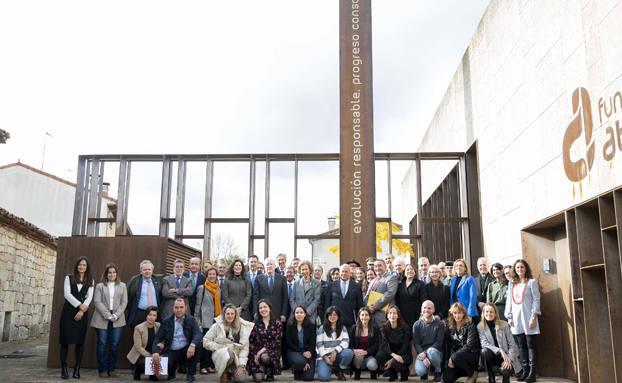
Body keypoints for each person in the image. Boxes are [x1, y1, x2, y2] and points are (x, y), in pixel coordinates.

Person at [505, 259, 540, 383]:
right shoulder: (511, 283)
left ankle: (532, 373)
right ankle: (525, 371)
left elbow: (536, 300)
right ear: (515, 269)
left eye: (522, 267)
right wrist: (509, 316)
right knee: (521, 346)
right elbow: (509, 300)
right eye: (518, 268)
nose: (520, 270)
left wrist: (533, 316)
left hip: (528, 318)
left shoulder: (532, 282)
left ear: (526, 269)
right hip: (516, 319)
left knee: (531, 345)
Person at [59, 256, 94, 379]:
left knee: (80, 342)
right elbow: (67, 294)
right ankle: (63, 368)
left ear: (87, 267)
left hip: (82, 313)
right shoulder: (68, 278)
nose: (82, 267)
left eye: (84, 265)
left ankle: (77, 368)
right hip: (69, 312)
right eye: (80, 265)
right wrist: (80, 306)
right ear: (76, 266)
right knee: (65, 341)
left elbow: (89, 297)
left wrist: (83, 309)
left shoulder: (91, 280)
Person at [90, 263, 128, 378]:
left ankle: (111, 369)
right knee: (102, 344)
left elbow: (124, 302)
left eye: (114, 272)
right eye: (109, 272)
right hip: (102, 317)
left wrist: (116, 315)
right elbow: (97, 302)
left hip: (118, 318)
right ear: (106, 274)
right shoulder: (100, 286)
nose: (112, 274)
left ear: (117, 274)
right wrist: (108, 315)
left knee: (114, 345)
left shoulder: (122, 285)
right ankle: (102, 369)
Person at [152, 298, 203, 382]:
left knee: (198, 346)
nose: (179, 310)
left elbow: (198, 334)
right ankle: (171, 371)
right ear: (173, 308)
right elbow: (158, 338)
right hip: (171, 351)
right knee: (165, 366)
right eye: (176, 307)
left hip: (186, 351)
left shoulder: (191, 320)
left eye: (181, 307)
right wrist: (155, 351)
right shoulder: (166, 322)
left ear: (185, 308)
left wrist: (192, 345)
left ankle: (190, 374)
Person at [203, 304, 254, 383]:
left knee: (241, 380)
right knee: (228, 353)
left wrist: (241, 365)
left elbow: (245, 349)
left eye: (232, 314)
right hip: (221, 354)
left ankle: (231, 371)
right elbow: (206, 341)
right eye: (228, 314)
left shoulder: (243, 327)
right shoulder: (217, 326)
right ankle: (224, 372)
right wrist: (219, 347)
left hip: (237, 358)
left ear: (235, 315)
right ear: (224, 314)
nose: (230, 316)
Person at [478, 303, 520, 383]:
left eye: (491, 312)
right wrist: (500, 350)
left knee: (505, 369)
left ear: (495, 313)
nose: (489, 314)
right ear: (483, 313)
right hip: (492, 357)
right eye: (486, 312)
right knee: (484, 351)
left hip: (505, 357)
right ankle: (491, 376)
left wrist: (509, 359)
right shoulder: (480, 326)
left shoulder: (504, 324)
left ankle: (506, 379)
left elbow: (512, 345)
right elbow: (484, 343)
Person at [443, 303, 480, 383]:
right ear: (452, 314)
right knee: (447, 378)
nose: (457, 315)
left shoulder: (470, 325)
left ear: (463, 313)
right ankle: (464, 372)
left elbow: (470, 345)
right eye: (455, 313)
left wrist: (452, 357)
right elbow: (449, 346)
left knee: (456, 357)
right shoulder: (449, 327)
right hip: (457, 358)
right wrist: (449, 360)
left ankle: (472, 374)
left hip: (471, 354)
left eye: (459, 313)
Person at [247, 299, 283, 382]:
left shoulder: (277, 323)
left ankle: (269, 370)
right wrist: (256, 354)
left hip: (272, 351)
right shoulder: (255, 323)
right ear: (258, 310)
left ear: (269, 308)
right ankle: (262, 368)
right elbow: (251, 341)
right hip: (256, 353)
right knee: (258, 379)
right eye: (260, 308)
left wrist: (261, 352)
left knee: (265, 357)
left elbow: (276, 342)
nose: (263, 309)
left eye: (265, 307)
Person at [315, 306, 354, 381]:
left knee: (349, 352)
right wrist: (326, 358)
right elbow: (319, 345)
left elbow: (346, 341)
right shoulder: (322, 328)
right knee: (324, 378)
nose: (332, 317)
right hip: (325, 356)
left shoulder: (342, 328)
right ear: (327, 316)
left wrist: (335, 351)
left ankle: (340, 369)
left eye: (335, 315)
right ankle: (330, 368)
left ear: (338, 316)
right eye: (330, 315)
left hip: (337, 355)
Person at [195, 266, 220, 374]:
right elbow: (198, 305)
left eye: (214, 274)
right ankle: (203, 366)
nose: (212, 276)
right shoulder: (202, 288)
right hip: (205, 320)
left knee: (213, 344)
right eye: (210, 274)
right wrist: (197, 320)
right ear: (207, 275)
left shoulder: (218, 288)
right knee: (205, 345)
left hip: (216, 320)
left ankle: (210, 365)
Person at [377, 305, 412, 382]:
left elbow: (405, 346)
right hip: (391, 352)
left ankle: (404, 372)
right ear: (387, 315)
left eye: (394, 313)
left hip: (404, 353)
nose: (392, 315)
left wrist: (393, 359)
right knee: (380, 356)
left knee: (396, 362)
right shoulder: (383, 328)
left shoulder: (405, 328)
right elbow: (385, 346)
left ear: (398, 315)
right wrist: (393, 356)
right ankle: (393, 374)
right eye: (390, 313)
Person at [412, 300, 445, 382]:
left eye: (429, 308)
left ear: (433, 310)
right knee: (420, 371)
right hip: (422, 353)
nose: (426, 310)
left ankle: (438, 372)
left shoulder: (440, 324)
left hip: (436, 353)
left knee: (431, 351)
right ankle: (425, 371)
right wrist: (422, 356)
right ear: (421, 309)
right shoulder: (416, 324)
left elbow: (439, 343)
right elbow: (416, 343)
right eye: (424, 308)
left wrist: (425, 353)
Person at [127, 306, 160, 381]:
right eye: (149, 315)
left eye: (154, 315)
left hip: (153, 352)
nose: (151, 317)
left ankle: (153, 374)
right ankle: (137, 371)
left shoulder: (158, 326)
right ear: (146, 315)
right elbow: (138, 347)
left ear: (156, 317)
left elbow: (161, 341)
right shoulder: (138, 328)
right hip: (140, 354)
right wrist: (150, 356)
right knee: (145, 363)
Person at [127, 260, 162, 328]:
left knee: (153, 335)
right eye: (145, 269)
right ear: (141, 271)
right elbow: (128, 295)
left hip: (154, 314)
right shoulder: (135, 281)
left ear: (152, 270)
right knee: (138, 334)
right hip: (140, 313)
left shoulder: (158, 281)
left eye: (149, 269)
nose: (147, 271)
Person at [285, 306, 316, 381]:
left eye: (301, 312)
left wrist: (308, 359)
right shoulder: (290, 326)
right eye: (297, 312)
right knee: (300, 362)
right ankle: (298, 368)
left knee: (308, 378)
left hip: (309, 353)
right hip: (294, 351)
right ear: (294, 314)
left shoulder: (311, 326)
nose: (299, 314)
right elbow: (289, 344)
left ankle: (300, 370)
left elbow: (312, 343)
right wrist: (302, 353)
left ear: (305, 314)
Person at [252, 258, 288, 322]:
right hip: (263, 312)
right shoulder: (258, 279)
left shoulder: (282, 278)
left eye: (271, 264)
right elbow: (255, 297)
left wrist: (283, 313)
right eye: (267, 264)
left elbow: (285, 297)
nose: (269, 266)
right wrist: (255, 312)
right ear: (264, 267)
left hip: (278, 313)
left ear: (275, 266)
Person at [349, 307, 379, 380]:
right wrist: (354, 350)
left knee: (372, 365)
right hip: (358, 356)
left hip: (369, 355)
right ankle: (357, 371)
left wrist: (366, 352)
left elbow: (376, 345)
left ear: (370, 317)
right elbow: (350, 343)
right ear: (359, 316)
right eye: (362, 315)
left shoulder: (375, 328)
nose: (364, 317)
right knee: (358, 357)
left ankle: (373, 372)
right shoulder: (354, 328)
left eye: (366, 315)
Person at [365, 259, 399, 324]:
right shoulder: (372, 281)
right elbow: (367, 296)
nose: (377, 268)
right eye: (375, 266)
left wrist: (374, 307)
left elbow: (390, 293)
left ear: (385, 267)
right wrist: (368, 308)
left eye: (380, 266)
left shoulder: (391, 278)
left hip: (384, 315)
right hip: (371, 316)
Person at [290, 260, 322, 325]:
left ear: (310, 270)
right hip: (297, 316)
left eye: (306, 269)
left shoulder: (317, 283)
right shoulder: (296, 283)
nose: (304, 271)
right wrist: (298, 312)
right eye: (302, 270)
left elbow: (317, 300)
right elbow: (292, 299)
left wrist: (306, 313)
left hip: (310, 316)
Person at [395, 263, 424, 329]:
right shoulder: (400, 284)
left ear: (415, 272)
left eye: (412, 269)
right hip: (402, 314)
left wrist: (422, 313)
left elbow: (423, 299)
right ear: (404, 272)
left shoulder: (420, 284)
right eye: (407, 269)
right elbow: (397, 300)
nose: (409, 271)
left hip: (415, 314)